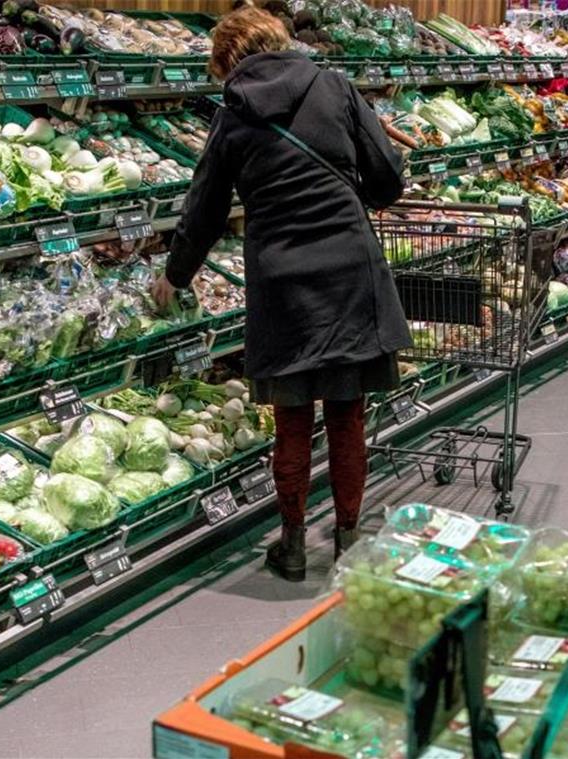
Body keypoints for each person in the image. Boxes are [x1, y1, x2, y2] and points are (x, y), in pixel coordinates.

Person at [150, 7, 412, 582]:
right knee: (347, 415)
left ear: (228, 63)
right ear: (280, 40)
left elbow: (205, 211)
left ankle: (292, 545)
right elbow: (388, 185)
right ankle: (347, 541)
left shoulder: (233, 114)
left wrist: (176, 276)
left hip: (280, 280)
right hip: (349, 268)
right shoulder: (335, 87)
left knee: (292, 420)